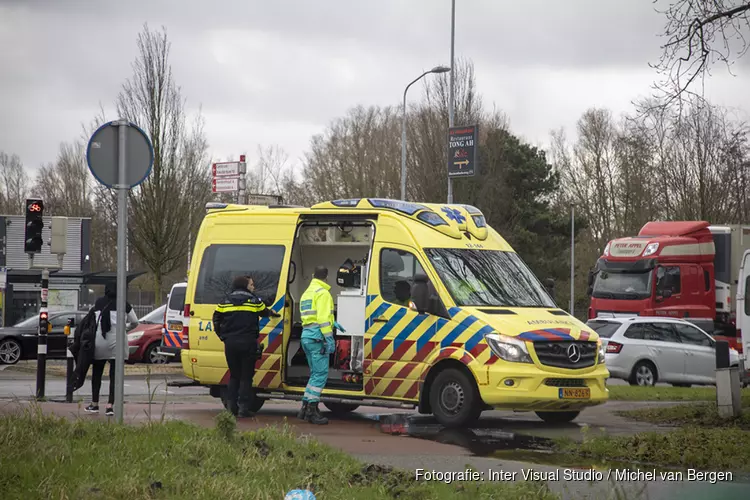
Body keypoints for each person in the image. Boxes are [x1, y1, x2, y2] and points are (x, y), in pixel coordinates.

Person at [213, 275, 280, 418]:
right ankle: (243, 408)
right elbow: (265, 312)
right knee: (246, 377)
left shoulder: (225, 301)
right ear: (245, 286)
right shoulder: (254, 301)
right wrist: (273, 313)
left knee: (234, 375)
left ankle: (231, 408)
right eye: (251, 284)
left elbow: (216, 318)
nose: (253, 287)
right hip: (248, 342)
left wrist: (222, 336)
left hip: (230, 344)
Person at [297, 266, 345, 425]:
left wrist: (333, 322)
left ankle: (305, 408)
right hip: (318, 339)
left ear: (313, 275)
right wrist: (329, 338)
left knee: (314, 374)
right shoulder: (323, 293)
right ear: (326, 277)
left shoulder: (307, 293)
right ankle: (312, 411)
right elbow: (323, 320)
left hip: (307, 337)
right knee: (320, 375)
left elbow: (313, 317)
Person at [85, 284, 139, 416]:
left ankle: (94, 404)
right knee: (115, 376)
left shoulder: (98, 302)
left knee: (97, 373)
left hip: (100, 341)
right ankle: (110, 406)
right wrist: (123, 329)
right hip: (117, 343)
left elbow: (92, 320)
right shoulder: (124, 304)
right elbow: (135, 322)